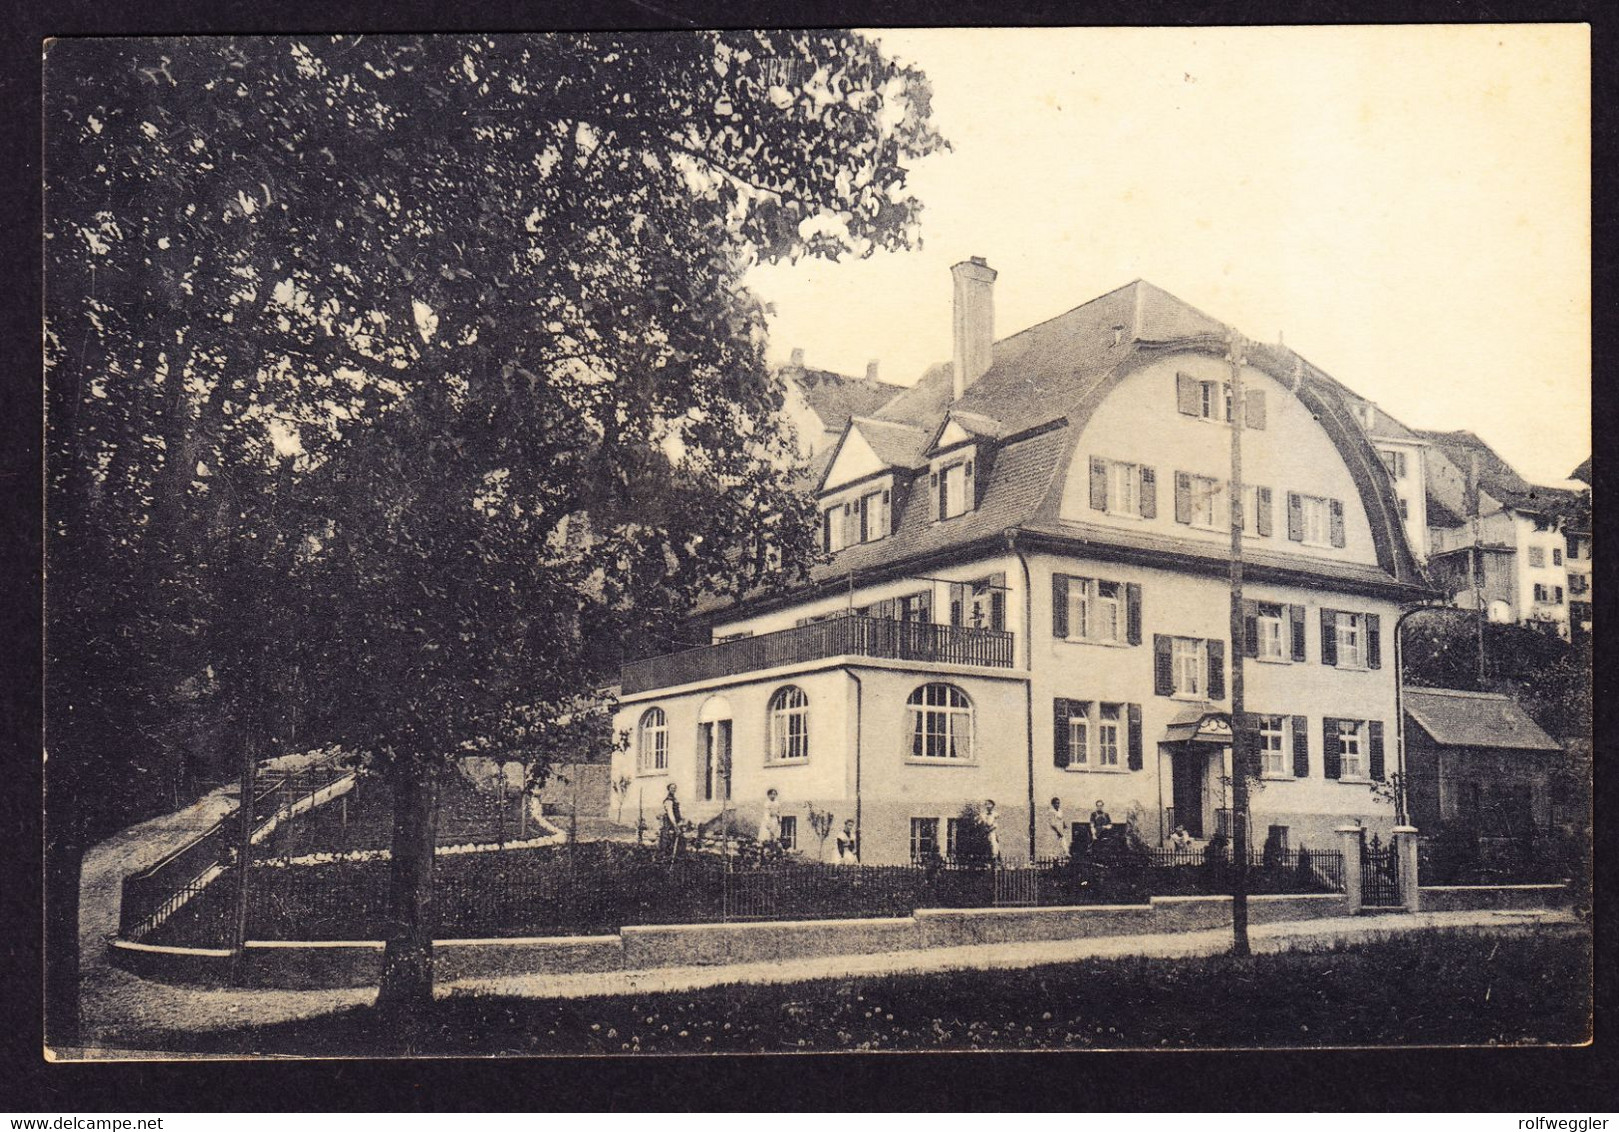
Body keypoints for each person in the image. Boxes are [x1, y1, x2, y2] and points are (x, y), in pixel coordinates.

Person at [659, 783, 685, 858]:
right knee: (668, 839)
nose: (673, 789)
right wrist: (675, 825)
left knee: (678, 840)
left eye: (674, 788)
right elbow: (670, 814)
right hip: (670, 823)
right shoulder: (668, 800)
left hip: (676, 822)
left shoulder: (674, 799)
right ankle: (667, 857)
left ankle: (676, 857)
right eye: (672, 788)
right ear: (669, 789)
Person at [757, 787, 782, 857]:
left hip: (774, 820)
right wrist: (768, 822)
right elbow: (766, 813)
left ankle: (774, 849)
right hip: (769, 820)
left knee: (774, 835)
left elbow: (779, 811)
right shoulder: (767, 803)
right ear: (768, 795)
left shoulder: (777, 803)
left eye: (774, 794)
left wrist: (779, 818)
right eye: (772, 794)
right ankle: (764, 849)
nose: (773, 796)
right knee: (766, 834)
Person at [982, 799, 1001, 864]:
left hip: (991, 832)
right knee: (985, 844)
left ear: (992, 806)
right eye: (986, 805)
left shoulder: (995, 814)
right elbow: (982, 823)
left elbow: (996, 824)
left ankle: (995, 858)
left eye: (989, 805)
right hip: (985, 832)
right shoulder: (983, 815)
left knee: (993, 844)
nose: (987, 806)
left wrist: (989, 829)